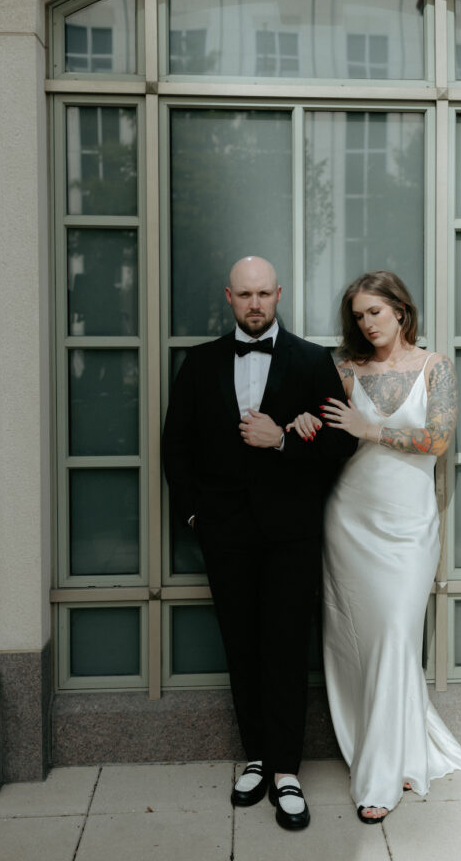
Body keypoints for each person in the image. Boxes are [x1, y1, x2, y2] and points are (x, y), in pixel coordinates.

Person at [162, 256, 355, 831]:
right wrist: (194, 514)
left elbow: (339, 447)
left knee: (286, 649)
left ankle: (288, 772)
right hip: (224, 533)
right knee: (241, 645)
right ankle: (256, 758)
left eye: (263, 294)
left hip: (291, 533)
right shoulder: (200, 364)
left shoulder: (313, 361)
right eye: (244, 294)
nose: (254, 304)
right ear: (229, 296)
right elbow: (177, 447)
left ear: (278, 294)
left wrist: (280, 443)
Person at [287, 270, 461, 823]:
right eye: (359, 315)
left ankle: (384, 774)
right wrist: (302, 421)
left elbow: (436, 441)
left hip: (411, 525)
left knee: (396, 633)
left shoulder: (435, 367)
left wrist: (370, 429)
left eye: (375, 311)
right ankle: (384, 758)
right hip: (350, 521)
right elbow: (318, 433)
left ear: (401, 310)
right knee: (362, 644)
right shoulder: (343, 370)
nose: (367, 323)